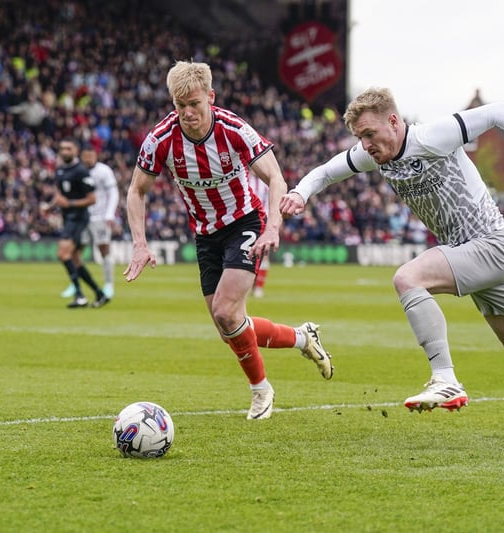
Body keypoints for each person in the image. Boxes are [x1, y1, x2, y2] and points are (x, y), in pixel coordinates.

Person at [280, 88, 504, 440]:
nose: (365, 144)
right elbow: (327, 172)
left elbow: (497, 111)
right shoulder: (373, 155)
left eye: (370, 134)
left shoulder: (432, 136)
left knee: (408, 279)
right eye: (360, 137)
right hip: (474, 251)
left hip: (492, 244)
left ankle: (445, 379)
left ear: (394, 121)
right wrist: (301, 191)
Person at [123, 60, 333, 420]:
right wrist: (140, 244)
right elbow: (136, 191)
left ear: (210, 97)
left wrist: (272, 227)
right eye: (180, 106)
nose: (188, 113)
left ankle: (260, 391)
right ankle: (301, 337)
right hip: (205, 235)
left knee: (225, 311)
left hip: (245, 222)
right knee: (230, 325)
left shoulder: (234, 129)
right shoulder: (160, 139)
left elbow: (276, 178)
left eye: (195, 104)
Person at [46, 138, 110, 309]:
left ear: (75, 151)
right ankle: (99, 293)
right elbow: (61, 195)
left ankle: (80, 295)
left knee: (63, 254)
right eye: (62, 148)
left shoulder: (81, 171)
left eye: (68, 148)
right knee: (74, 258)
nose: (65, 151)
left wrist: (71, 204)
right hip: (67, 218)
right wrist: (50, 206)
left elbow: (92, 199)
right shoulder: (60, 170)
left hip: (79, 218)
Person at [61, 145, 120, 299]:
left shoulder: (104, 171)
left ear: (96, 156)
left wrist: (109, 214)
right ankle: (75, 284)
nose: (88, 159)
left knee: (103, 249)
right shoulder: (79, 171)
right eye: (85, 156)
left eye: (90, 156)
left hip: (100, 217)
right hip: (82, 217)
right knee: (75, 252)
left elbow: (113, 193)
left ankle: (108, 284)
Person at [247, 172, 270, 298]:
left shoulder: (265, 183)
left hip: (263, 221)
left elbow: (270, 203)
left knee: (264, 255)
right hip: (245, 222)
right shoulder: (243, 178)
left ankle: (258, 287)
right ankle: (248, 286)